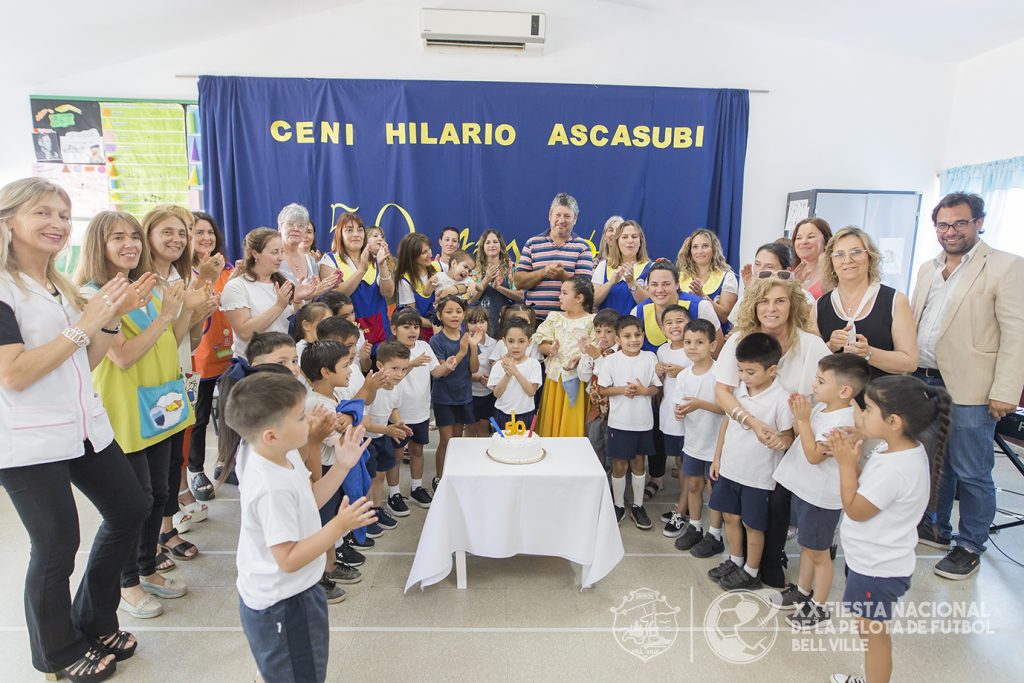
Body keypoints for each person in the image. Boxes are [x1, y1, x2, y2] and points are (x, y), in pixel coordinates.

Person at [0, 177, 150, 681]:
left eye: (64, 215)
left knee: (129, 508)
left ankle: (95, 619)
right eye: (43, 212)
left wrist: (111, 318)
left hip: (84, 426)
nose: (58, 224)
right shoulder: (3, 288)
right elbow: (14, 373)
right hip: (27, 439)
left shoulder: (58, 285)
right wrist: (84, 324)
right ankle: (57, 652)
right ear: (9, 220)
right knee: (56, 544)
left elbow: (85, 360)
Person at [75, 211, 198, 618]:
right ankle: (127, 583)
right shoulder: (93, 294)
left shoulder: (144, 285)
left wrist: (181, 312)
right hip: (125, 410)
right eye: (118, 237)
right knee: (136, 501)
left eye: (133, 236)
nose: (130, 244)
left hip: (160, 405)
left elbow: (168, 341)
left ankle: (147, 569)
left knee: (160, 493)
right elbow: (123, 357)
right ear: (99, 244)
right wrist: (164, 315)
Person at [226, 373, 377, 683]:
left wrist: (342, 465)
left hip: (297, 592)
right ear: (271, 435)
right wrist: (338, 526)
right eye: (300, 417)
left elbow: (311, 500)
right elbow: (288, 558)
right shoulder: (271, 486)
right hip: (283, 605)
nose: (310, 419)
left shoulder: (284, 454)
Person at [911, 192, 1024, 580]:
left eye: (960, 222)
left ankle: (970, 544)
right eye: (943, 224)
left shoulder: (1006, 266)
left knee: (972, 470)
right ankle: (936, 528)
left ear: (979, 222)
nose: (950, 231)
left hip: (972, 386)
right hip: (925, 379)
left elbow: (1016, 334)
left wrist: (1005, 391)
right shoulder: (928, 268)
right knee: (935, 463)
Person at [827, 376, 951, 683]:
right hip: (872, 562)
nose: (862, 414)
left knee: (874, 636)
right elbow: (868, 493)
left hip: (877, 569)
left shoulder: (896, 468)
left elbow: (855, 509)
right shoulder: (896, 448)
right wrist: (853, 460)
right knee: (868, 630)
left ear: (894, 421)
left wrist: (845, 464)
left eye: (868, 409)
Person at [713, 276, 831, 588]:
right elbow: (723, 391)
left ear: (793, 305)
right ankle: (742, 561)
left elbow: (830, 393)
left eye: (780, 301)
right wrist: (751, 421)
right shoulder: (740, 340)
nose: (771, 308)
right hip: (750, 441)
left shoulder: (811, 345)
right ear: (753, 306)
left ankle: (768, 561)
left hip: (796, 438)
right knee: (739, 508)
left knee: (776, 506)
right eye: (764, 301)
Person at [771, 353, 870, 629]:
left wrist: (803, 420)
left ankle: (819, 606)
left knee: (819, 553)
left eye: (821, 381)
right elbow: (803, 434)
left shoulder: (842, 424)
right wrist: (798, 414)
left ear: (845, 391)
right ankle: (802, 591)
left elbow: (814, 454)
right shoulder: (823, 408)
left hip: (821, 498)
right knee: (807, 546)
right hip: (806, 489)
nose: (814, 384)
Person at [707, 333, 794, 591]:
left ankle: (752, 571)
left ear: (772, 370)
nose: (743, 377)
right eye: (740, 370)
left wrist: (780, 442)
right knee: (730, 517)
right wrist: (717, 457)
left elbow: (788, 435)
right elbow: (726, 423)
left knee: (752, 525)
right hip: (730, 468)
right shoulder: (738, 391)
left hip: (758, 476)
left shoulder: (781, 398)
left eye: (750, 372)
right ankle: (736, 560)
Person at [630, 260, 722, 499]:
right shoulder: (640, 311)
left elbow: (717, 346)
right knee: (659, 429)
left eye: (666, 284)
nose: (659, 290)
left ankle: (698, 491)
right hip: (661, 388)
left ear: (677, 284)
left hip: (696, 388)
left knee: (692, 445)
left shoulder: (698, 306)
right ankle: (657, 478)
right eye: (654, 284)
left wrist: (692, 374)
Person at [300, 340, 362, 601]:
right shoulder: (317, 406)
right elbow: (340, 441)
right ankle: (319, 576)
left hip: (333, 467)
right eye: (345, 366)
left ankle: (331, 564)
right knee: (322, 523)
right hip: (324, 470)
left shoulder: (334, 396)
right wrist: (352, 424)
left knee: (331, 518)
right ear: (326, 372)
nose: (350, 370)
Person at [816, 227, 918, 380]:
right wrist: (830, 347)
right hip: (835, 395)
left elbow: (910, 363)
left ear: (870, 257)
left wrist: (868, 353)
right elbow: (809, 361)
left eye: (856, 252)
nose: (847, 260)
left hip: (880, 394)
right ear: (831, 262)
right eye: (839, 254)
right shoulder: (819, 306)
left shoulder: (895, 301)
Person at [597, 314, 662, 529]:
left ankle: (638, 506)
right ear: (618, 339)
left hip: (643, 422)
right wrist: (622, 390)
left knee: (638, 463)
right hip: (619, 422)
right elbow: (603, 389)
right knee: (619, 465)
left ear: (643, 335)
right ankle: (618, 505)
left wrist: (644, 391)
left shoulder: (650, 358)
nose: (633, 340)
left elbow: (656, 388)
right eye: (627, 336)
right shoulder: (611, 360)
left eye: (637, 335)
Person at [187, 211, 233, 502]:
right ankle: (195, 470)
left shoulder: (227, 268)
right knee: (199, 417)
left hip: (228, 354)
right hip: (197, 360)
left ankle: (226, 462)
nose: (206, 238)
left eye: (210, 232)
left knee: (230, 414)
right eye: (199, 233)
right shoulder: (184, 274)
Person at [668, 319, 724, 553]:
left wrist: (701, 404)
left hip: (715, 444)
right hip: (693, 441)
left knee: (714, 489)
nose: (692, 347)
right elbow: (680, 403)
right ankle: (695, 525)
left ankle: (715, 534)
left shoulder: (720, 374)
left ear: (712, 345)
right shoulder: (683, 375)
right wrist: (679, 412)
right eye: (688, 342)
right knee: (693, 484)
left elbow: (726, 409)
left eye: (699, 342)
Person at [221, 227, 318, 359]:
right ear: (255, 254)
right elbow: (244, 333)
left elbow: (295, 327)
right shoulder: (237, 286)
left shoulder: (284, 282)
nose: (281, 258)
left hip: (284, 360)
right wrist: (278, 306)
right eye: (274, 252)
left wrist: (297, 301)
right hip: (253, 365)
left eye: (282, 251)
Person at [514, 193, 595, 320]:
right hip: (534, 321)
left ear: (575, 219)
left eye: (567, 216)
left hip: (568, 323)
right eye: (558, 215)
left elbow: (586, 290)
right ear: (550, 215)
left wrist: (563, 276)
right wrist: (543, 272)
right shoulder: (532, 244)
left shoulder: (583, 247)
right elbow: (518, 282)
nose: (561, 220)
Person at [319, 214, 395, 347]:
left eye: (360, 230)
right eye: (349, 230)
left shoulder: (374, 258)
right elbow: (335, 297)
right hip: (346, 333)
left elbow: (388, 293)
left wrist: (382, 265)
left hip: (379, 332)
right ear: (340, 234)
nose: (356, 234)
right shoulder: (329, 260)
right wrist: (361, 270)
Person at [429, 295, 481, 488]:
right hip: (444, 398)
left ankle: (453, 476)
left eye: (459, 311)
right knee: (446, 439)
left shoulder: (467, 337)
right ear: (439, 315)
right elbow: (442, 372)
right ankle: (440, 478)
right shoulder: (436, 340)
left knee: (457, 440)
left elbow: (473, 369)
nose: (454, 315)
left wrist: (472, 348)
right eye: (449, 311)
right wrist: (461, 352)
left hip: (463, 396)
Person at [533, 276, 596, 437]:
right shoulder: (554, 317)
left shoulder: (592, 321)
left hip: (578, 380)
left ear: (579, 298)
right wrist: (550, 349)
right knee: (552, 417)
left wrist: (581, 357)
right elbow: (541, 341)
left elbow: (596, 348)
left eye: (564, 293)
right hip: (556, 378)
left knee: (572, 418)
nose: (559, 297)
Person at [391, 308, 438, 508]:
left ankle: (416, 487)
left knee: (417, 450)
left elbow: (436, 371)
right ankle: (394, 493)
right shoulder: (390, 350)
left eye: (416, 327)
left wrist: (452, 363)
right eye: (406, 327)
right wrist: (412, 363)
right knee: (397, 454)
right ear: (394, 329)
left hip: (420, 411)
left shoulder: (424, 346)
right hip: (397, 413)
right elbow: (392, 378)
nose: (413, 331)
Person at [362, 340, 413, 529]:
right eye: (395, 368)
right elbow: (364, 422)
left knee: (380, 475)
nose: (400, 374)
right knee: (367, 479)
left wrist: (398, 423)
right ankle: (365, 515)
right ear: (380, 365)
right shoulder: (371, 387)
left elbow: (393, 408)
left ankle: (376, 508)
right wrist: (388, 430)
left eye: (404, 369)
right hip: (366, 439)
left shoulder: (397, 386)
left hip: (382, 435)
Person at [654, 304, 693, 501]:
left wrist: (682, 373)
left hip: (690, 414)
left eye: (680, 321)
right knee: (679, 460)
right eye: (668, 323)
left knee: (689, 463)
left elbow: (705, 376)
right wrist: (658, 373)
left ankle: (687, 505)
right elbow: (660, 385)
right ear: (662, 329)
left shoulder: (693, 349)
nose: (674, 326)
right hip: (670, 413)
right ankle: (683, 501)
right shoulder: (662, 350)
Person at [578, 308, 620, 466]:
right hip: (595, 409)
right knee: (594, 447)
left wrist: (597, 357)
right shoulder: (594, 351)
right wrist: (585, 354)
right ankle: (598, 476)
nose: (602, 336)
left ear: (617, 334)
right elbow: (584, 377)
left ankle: (611, 480)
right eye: (598, 331)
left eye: (608, 331)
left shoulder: (620, 354)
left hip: (614, 411)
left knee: (612, 453)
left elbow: (607, 380)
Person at [676, 228, 738, 326]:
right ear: (690, 251)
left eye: (705, 246)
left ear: (714, 250)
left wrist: (703, 296)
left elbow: (725, 317)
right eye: (695, 247)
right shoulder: (679, 278)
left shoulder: (727, 277)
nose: (700, 251)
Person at [488, 318, 543, 427]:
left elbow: (531, 392)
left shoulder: (534, 364)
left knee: (525, 439)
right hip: (502, 413)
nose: (515, 346)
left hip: (525, 414)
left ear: (529, 341)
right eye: (511, 341)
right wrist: (507, 375)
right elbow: (497, 394)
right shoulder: (498, 365)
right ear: (504, 341)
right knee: (502, 438)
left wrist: (516, 372)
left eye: (521, 341)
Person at [592, 219, 652, 314]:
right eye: (624, 237)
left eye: (634, 237)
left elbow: (650, 305)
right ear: (617, 242)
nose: (630, 240)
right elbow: (593, 301)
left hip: (636, 323)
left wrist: (632, 283)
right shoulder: (603, 265)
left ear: (640, 241)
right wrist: (610, 283)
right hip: (607, 323)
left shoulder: (651, 268)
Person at [473, 228, 522, 337]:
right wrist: (486, 280)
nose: (492, 245)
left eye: (495, 242)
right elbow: (471, 299)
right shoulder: (477, 271)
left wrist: (499, 288)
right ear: (482, 247)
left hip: (507, 323)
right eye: (488, 242)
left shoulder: (511, 267)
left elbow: (520, 295)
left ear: (501, 245)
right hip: (484, 325)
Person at [395, 232, 441, 339]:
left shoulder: (438, 267)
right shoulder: (405, 280)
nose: (430, 254)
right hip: (421, 333)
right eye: (424, 252)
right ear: (412, 257)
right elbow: (411, 316)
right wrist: (438, 323)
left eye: (429, 249)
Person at [466, 306, 498, 437]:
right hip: (469, 393)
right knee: (470, 428)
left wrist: (491, 379)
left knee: (483, 428)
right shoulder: (464, 343)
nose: (478, 326)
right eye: (473, 322)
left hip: (488, 394)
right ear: (466, 324)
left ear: (488, 323)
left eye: (482, 322)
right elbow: (462, 372)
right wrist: (477, 378)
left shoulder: (494, 344)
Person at [792, 217, 833, 300]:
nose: (803, 242)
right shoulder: (790, 273)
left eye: (811, 237)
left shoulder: (833, 274)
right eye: (799, 238)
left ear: (826, 241)